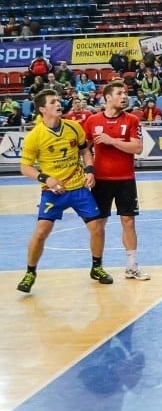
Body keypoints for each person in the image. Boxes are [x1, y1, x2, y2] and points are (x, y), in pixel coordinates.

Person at [16, 89, 112, 293]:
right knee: (41, 231)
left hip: (78, 187)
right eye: (53, 102)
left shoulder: (73, 127)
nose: (58, 104)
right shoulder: (35, 136)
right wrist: (46, 178)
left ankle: (97, 267)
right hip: (53, 192)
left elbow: (85, 151)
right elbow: (25, 167)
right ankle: (30, 272)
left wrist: (90, 170)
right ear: (42, 109)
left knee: (97, 227)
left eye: (58, 100)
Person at [84, 81, 151, 281]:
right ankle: (97, 266)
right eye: (120, 93)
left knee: (128, 221)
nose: (124, 96)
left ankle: (132, 266)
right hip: (100, 181)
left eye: (126, 93)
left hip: (125, 180)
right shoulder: (92, 121)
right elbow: (84, 147)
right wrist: (88, 169)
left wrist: (111, 140)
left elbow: (137, 148)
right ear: (107, 97)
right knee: (99, 224)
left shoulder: (131, 120)